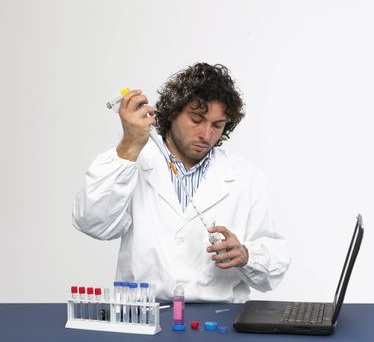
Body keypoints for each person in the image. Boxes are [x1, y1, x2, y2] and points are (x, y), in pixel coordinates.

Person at [73, 62, 290, 303]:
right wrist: (130, 145)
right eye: (197, 120)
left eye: (217, 125)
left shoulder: (246, 177)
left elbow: (276, 264)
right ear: (172, 113)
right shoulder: (131, 162)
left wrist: (247, 254)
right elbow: (91, 223)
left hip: (218, 321)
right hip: (144, 315)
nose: (206, 135)